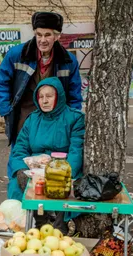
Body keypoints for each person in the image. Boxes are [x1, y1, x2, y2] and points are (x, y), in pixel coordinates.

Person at [0, 11, 83, 148]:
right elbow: (1, 82)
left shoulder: (68, 61)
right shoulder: (17, 54)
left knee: (50, 159)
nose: (42, 40)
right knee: (20, 156)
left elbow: (74, 94)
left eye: (47, 35)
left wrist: (71, 120)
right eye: (39, 35)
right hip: (23, 117)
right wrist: (7, 111)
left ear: (57, 36)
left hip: (55, 120)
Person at [8, 77, 85, 232]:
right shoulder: (32, 119)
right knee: (16, 185)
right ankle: (31, 223)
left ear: (59, 96)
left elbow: (76, 150)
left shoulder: (74, 118)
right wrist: (21, 170)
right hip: (34, 168)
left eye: (49, 96)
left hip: (62, 168)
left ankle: (60, 223)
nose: (44, 101)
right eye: (41, 97)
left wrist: (64, 172)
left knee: (62, 187)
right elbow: (20, 148)